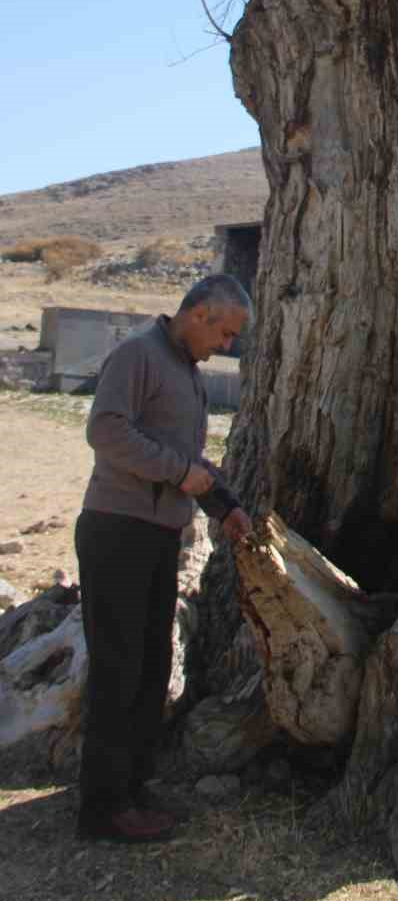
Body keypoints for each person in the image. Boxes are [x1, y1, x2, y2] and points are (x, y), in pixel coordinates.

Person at [74, 274, 254, 844]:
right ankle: (102, 809)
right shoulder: (138, 355)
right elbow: (105, 431)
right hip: (117, 531)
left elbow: (188, 458)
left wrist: (223, 504)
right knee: (118, 668)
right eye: (224, 333)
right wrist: (180, 474)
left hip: (156, 535)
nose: (225, 346)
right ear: (197, 313)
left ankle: (131, 787)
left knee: (151, 667)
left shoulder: (186, 374)